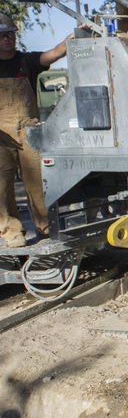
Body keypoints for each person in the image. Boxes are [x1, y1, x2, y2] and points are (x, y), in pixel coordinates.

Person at [0, 13, 68, 247]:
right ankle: (11, 230)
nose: (7, 39)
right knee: (2, 182)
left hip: (28, 130)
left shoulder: (26, 61)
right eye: (2, 35)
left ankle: (45, 227)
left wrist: (74, 37)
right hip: (1, 135)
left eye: (10, 34)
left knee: (38, 181)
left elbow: (56, 52)